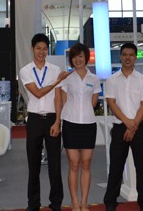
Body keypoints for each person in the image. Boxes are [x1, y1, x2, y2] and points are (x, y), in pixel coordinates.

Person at [20, 33, 70, 211]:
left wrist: (58, 121)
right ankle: (33, 203)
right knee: (33, 165)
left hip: (51, 119)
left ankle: (56, 203)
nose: (41, 52)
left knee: (55, 164)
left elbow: (58, 98)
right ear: (32, 49)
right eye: (38, 48)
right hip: (34, 119)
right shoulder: (26, 70)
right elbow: (38, 93)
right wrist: (58, 81)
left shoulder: (55, 69)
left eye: (44, 49)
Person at [103, 42, 143, 211]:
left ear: (135, 57)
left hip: (139, 128)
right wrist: (127, 123)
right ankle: (110, 202)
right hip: (119, 128)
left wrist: (133, 126)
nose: (128, 58)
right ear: (120, 57)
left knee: (142, 167)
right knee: (116, 167)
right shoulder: (111, 80)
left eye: (131, 55)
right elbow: (112, 103)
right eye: (124, 55)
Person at [55, 43, 101, 211]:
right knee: (74, 164)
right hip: (70, 123)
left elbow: (94, 102)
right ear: (71, 59)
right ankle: (75, 202)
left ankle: (84, 202)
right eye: (74, 57)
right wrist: (60, 120)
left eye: (81, 56)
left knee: (86, 163)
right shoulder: (66, 77)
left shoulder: (94, 79)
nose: (78, 59)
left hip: (88, 124)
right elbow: (63, 99)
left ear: (86, 58)